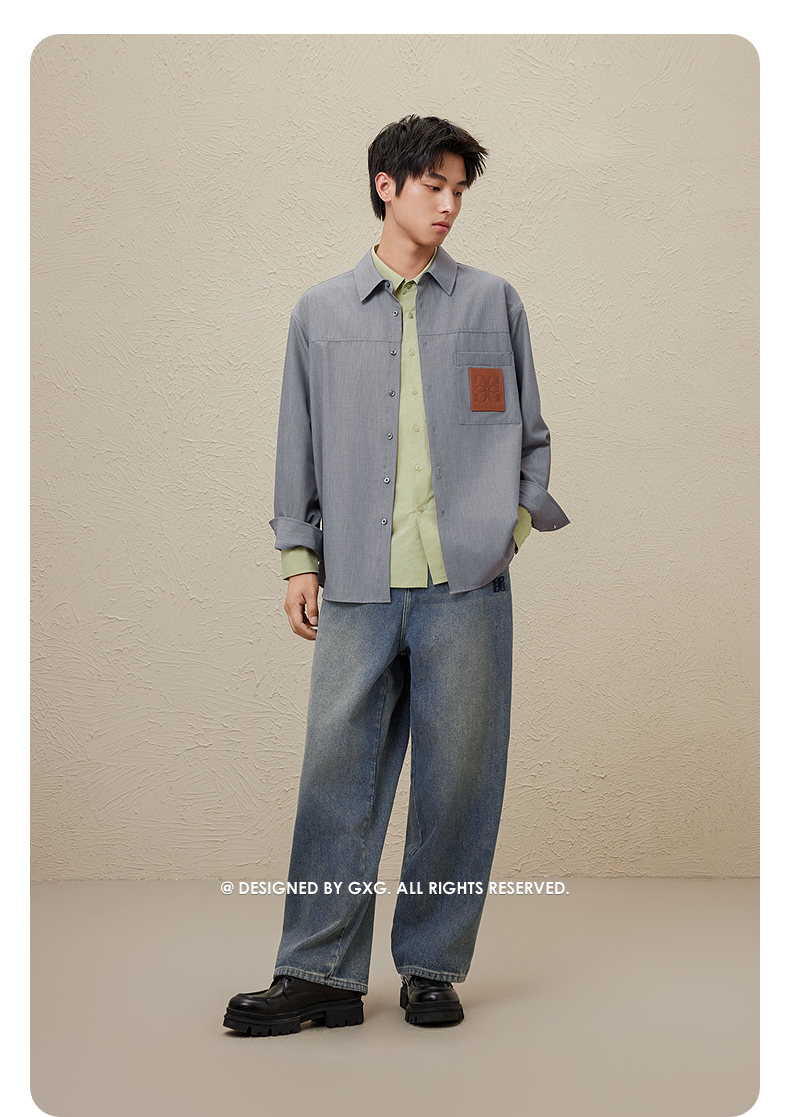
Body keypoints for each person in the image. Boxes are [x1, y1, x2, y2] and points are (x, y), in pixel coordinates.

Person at [223, 114, 569, 1037]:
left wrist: (506, 533)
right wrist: (298, 559)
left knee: (460, 783)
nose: (449, 204)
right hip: (357, 585)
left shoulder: (494, 303)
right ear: (387, 185)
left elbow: (530, 437)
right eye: (433, 186)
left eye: (460, 190)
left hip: (467, 586)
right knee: (337, 779)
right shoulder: (320, 312)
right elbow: (296, 443)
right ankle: (319, 975)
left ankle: (431, 967)